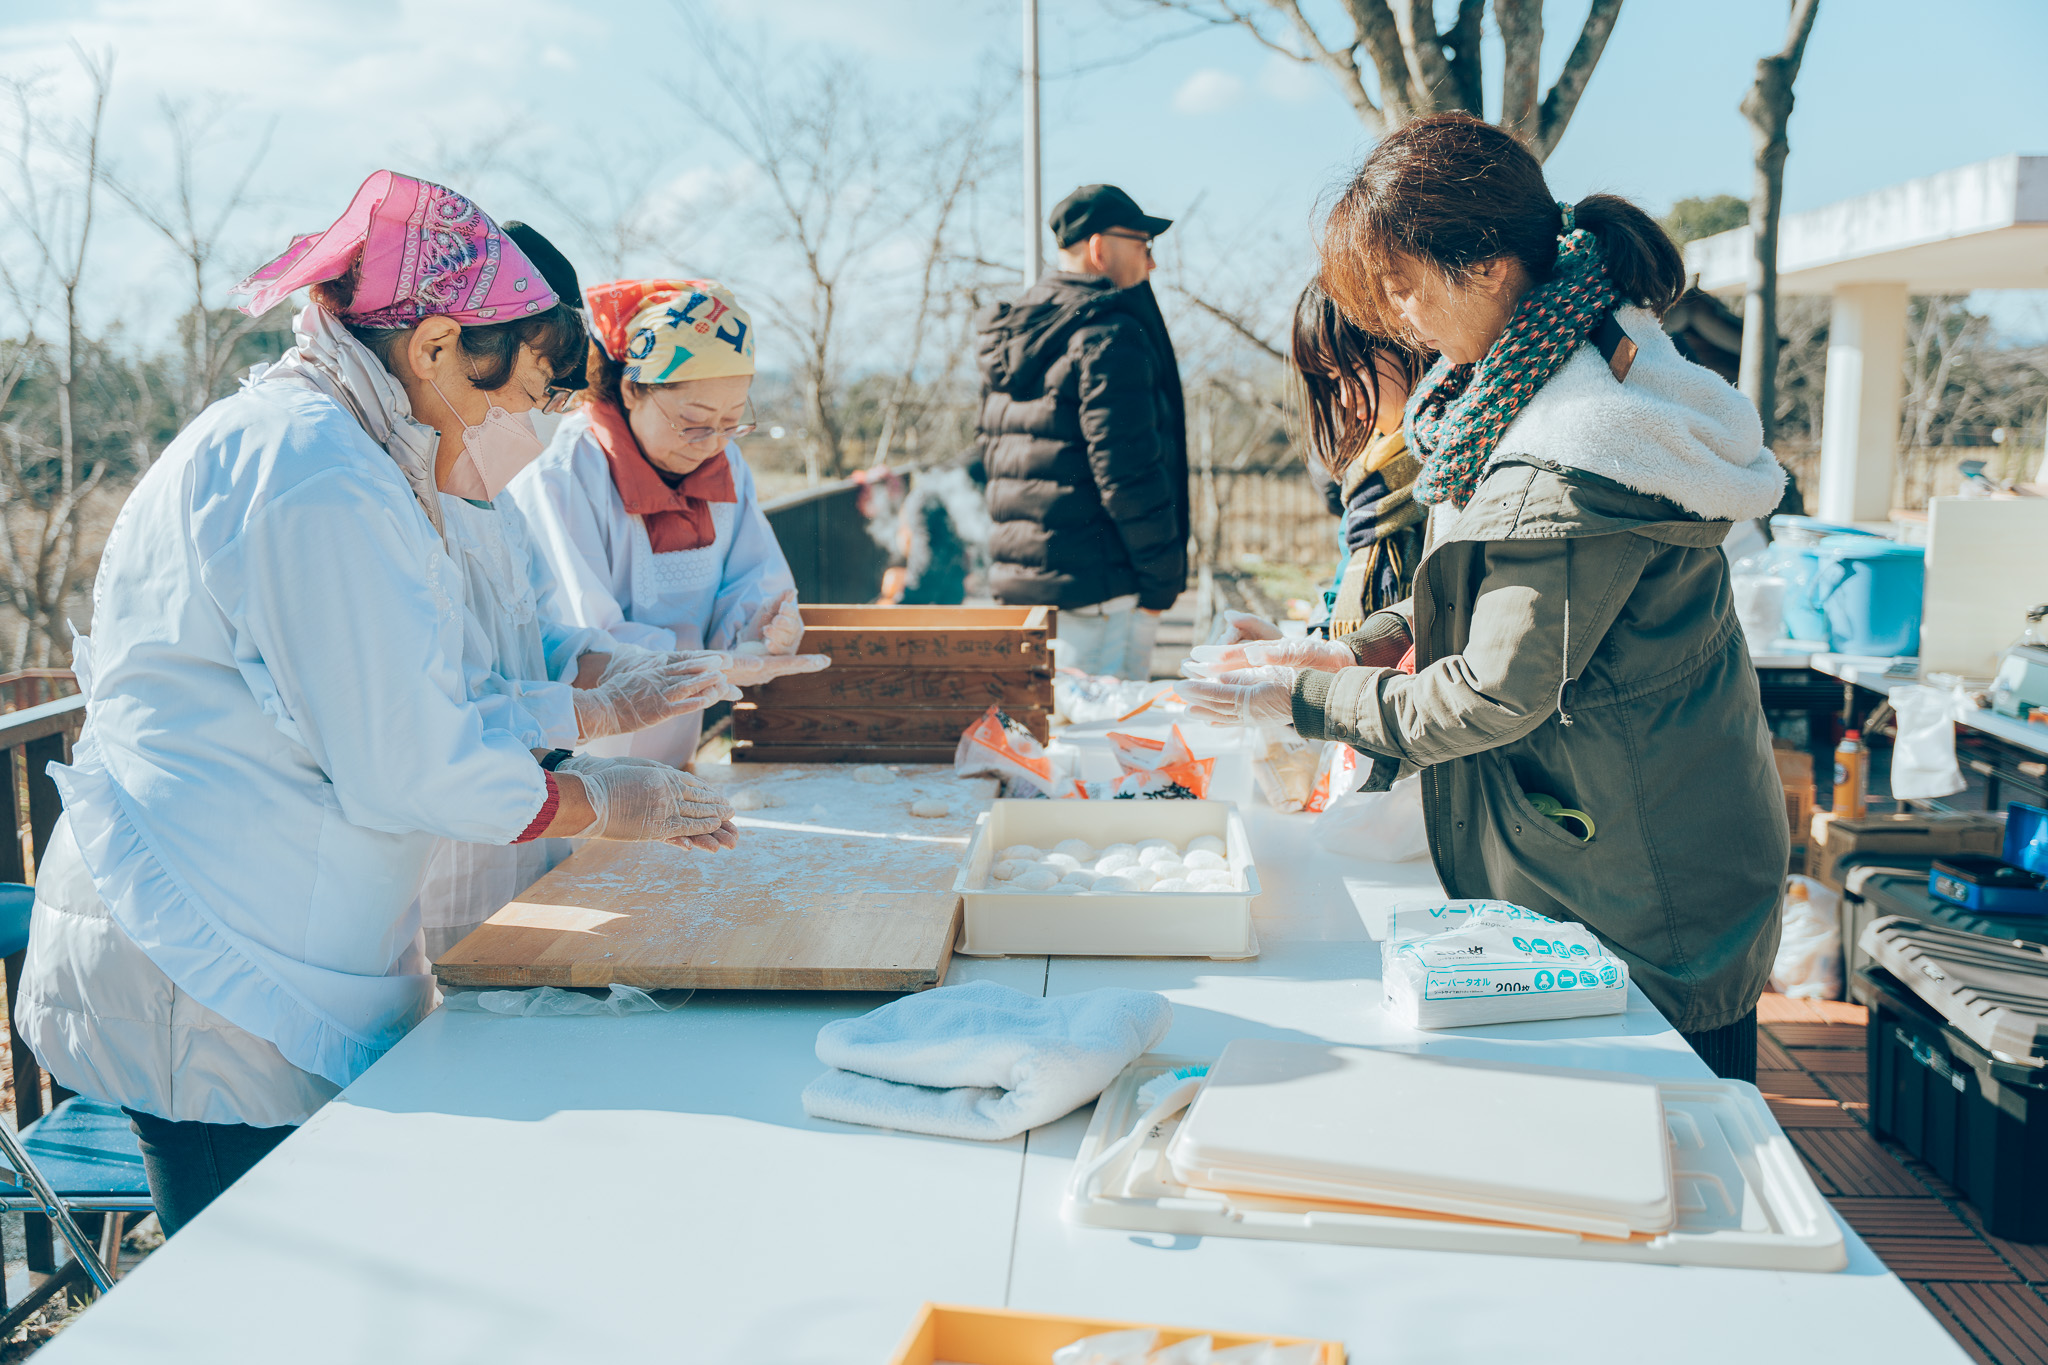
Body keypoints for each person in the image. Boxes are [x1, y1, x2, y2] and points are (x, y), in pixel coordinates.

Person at [16, 171, 741, 1236]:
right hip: (219, 946)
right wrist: (605, 795)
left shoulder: (391, 452)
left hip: (289, 926)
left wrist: (599, 688)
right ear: (440, 346)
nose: (524, 425)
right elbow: (410, 760)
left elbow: (469, 660)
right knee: (253, 1289)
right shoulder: (312, 467)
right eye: (522, 390)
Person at [1180, 115, 1790, 1081]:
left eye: (1402, 284)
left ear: (1493, 265)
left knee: (1680, 1150)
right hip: (1625, 838)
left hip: (1649, 879)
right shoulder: (1542, 385)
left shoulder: (1573, 450)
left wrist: (1297, 701)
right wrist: (1358, 650)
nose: (1394, 314)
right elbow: (1486, 595)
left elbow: (1491, 690)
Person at [506, 278, 816, 767]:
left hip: (679, 747)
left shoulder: (725, 465)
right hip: (581, 764)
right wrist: (711, 663)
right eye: (693, 421)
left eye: (732, 420)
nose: (712, 441)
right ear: (633, 390)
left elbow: (753, 578)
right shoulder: (565, 476)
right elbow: (580, 637)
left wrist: (764, 629)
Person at [970, 184, 1189, 680]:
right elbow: (1129, 474)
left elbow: (994, 458)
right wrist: (1162, 581)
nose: (1151, 264)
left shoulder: (1014, 333)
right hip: (1100, 593)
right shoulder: (1109, 336)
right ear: (1099, 249)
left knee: (1046, 747)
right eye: (1144, 246)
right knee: (1106, 746)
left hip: (1023, 591)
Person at [1290, 284, 1431, 637]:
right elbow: (1341, 597)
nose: (1346, 399)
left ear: (1405, 340)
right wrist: (1290, 643)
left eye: (1353, 369)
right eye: (1333, 381)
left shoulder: (1455, 463)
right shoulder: (1369, 477)